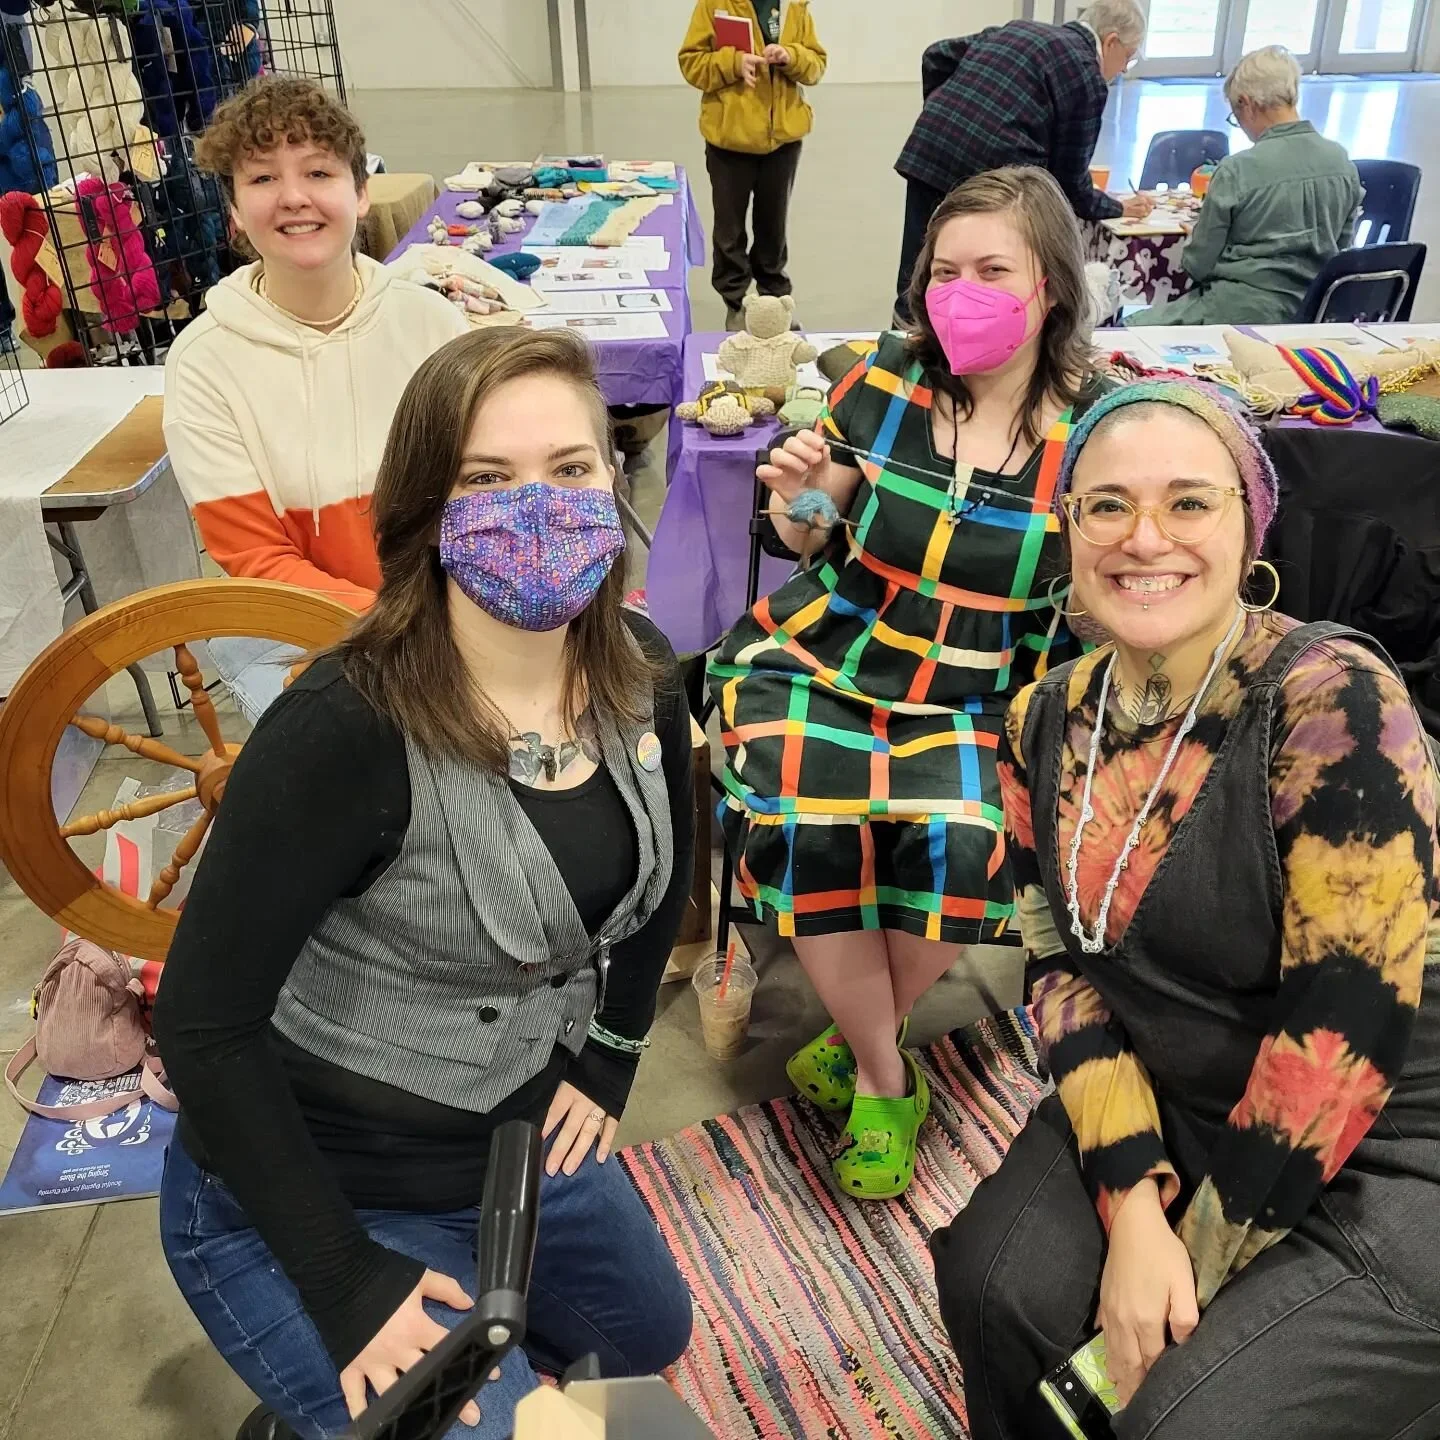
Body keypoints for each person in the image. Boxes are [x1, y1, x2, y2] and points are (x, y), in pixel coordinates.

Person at [154, 327, 696, 1440]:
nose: (536, 508)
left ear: (615, 480)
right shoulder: (342, 730)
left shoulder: (640, 674)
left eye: (571, 468)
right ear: (424, 509)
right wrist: (346, 1283)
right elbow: (204, 1028)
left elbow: (667, 868)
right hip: (317, 1187)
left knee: (646, 1336)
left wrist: (613, 1053)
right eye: (486, 479)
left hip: (506, 1147)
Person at [931, 379, 1440, 1439]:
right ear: (1068, 529)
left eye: (1189, 502)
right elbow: (1055, 965)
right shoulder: (1042, 720)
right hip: (1177, 1088)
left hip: (1385, 1139)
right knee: (993, 1286)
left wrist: (1187, 1262)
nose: (1144, 537)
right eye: (1107, 505)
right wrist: (1132, 1206)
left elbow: (1343, 1040)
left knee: (1183, 1415)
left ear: (1251, 524)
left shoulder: (1333, 703)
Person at [710, 166, 1108, 1200]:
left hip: (985, 689)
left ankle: (860, 1036)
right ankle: (888, 1079)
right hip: (833, 653)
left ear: (1052, 286)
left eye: (992, 271)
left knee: (968, 844)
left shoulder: (1098, 430)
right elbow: (809, 534)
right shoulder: (888, 379)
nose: (960, 293)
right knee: (806, 820)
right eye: (944, 271)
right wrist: (802, 499)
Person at [162, 75, 466, 720]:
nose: (294, 197)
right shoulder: (203, 363)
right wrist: (401, 635)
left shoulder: (435, 327)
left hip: (456, 617)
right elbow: (256, 558)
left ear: (361, 192)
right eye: (262, 178)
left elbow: (483, 498)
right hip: (302, 633)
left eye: (318, 172)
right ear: (235, 211)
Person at [893, 0, 1152, 325]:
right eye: (1128, 57)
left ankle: (902, 344)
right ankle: (968, 342)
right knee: (983, 277)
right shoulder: (1086, 74)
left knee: (919, 269)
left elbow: (936, 55)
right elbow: (1070, 185)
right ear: (1111, 41)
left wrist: (941, 109)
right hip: (995, 179)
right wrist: (1117, 207)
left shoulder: (1018, 29)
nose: (1123, 70)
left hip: (932, 148)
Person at [1129, 47, 1362, 327]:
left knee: (1129, 328)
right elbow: (1342, 250)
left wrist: (1197, 239)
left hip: (1239, 310)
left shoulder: (1236, 170)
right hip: (1312, 312)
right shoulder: (1342, 162)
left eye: (1235, 116)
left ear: (1246, 103)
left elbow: (1198, 266)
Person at [679, 0, 826, 329]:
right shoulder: (714, 5)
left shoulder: (794, 6)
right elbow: (691, 63)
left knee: (773, 228)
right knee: (729, 231)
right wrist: (734, 63)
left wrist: (791, 56)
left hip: (783, 141)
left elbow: (816, 64)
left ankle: (774, 303)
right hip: (729, 141)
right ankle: (736, 304)